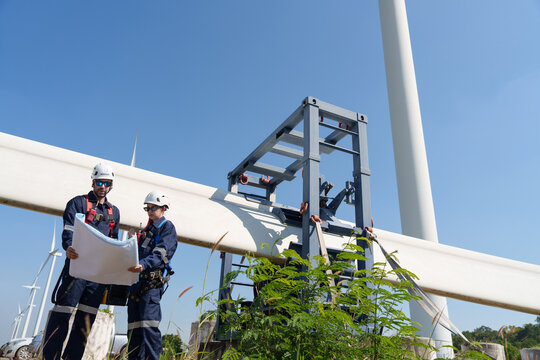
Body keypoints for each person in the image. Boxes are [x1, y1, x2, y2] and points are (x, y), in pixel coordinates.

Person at [43, 163, 120, 360]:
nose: (103, 186)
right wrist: (68, 247)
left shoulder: (114, 212)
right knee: (62, 313)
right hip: (76, 269)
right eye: (100, 182)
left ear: (111, 185)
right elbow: (68, 232)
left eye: (107, 183)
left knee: (86, 321)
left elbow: (113, 241)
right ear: (93, 181)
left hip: (97, 276)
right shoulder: (77, 203)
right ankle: (51, 356)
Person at [127, 191, 177, 360]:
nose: (149, 211)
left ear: (163, 208)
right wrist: (131, 241)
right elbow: (133, 256)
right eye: (147, 208)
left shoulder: (167, 228)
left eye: (153, 208)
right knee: (134, 330)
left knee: (149, 329)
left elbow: (160, 253)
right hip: (136, 285)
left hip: (151, 285)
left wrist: (143, 265)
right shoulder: (146, 231)